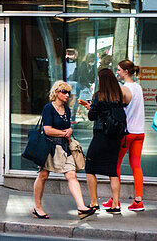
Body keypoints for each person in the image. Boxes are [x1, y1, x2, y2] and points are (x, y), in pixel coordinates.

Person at [32, 80, 95, 221]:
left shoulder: (66, 109)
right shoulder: (48, 108)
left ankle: (81, 207)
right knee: (43, 175)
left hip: (65, 147)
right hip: (49, 147)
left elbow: (67, 127)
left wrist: (70, 130)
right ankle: (37, 208)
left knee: (71, 175)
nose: (67, 95)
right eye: (64, 92)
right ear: (56, 93)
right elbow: (47, 130)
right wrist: (63, 133)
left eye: (68, 92)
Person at [79, 67, 127, 214]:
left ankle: (94, 202)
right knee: (112, 170)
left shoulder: (98, 95)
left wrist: (90, 107)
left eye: (99, 78)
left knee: (90, 166)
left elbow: (92, 116)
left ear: (102, 80)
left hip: (101, 135)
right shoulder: (118, 95)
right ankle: (116, 205)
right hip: (116, 136)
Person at [103, 59, 145, 212]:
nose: (117, 73)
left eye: (119, 70)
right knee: (136, 165)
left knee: (115, 165)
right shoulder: (138, 87)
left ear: (126, 72)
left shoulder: (123, 88)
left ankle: (116, 200)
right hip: (140, 131)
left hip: (127, 132)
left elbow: (117, 109)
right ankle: (138, 201)